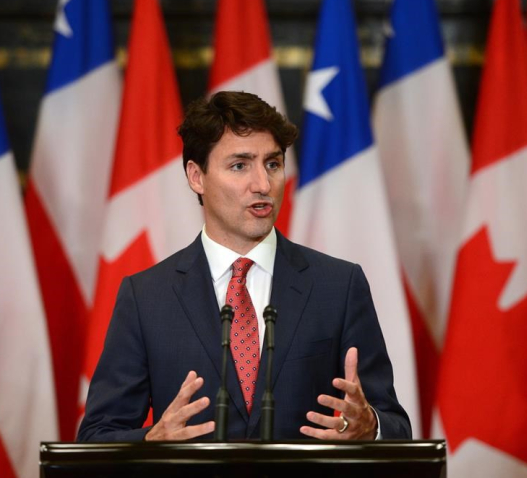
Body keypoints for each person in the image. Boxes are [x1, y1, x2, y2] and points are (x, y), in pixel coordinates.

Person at [77, 91, 410, 441]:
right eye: (240, 166)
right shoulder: (146, 297)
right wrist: (150, 441)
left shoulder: (339, 286)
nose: (263, 185)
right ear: (196, 176)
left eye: (273, 164)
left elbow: (397, 427)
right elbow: (97, 436)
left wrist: (369, 426)